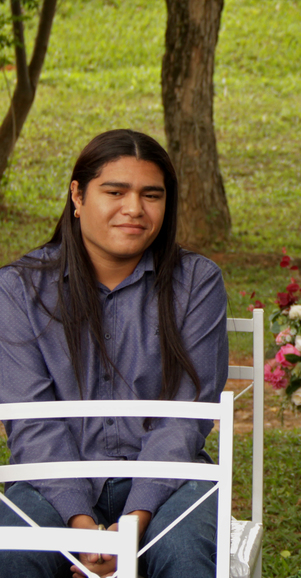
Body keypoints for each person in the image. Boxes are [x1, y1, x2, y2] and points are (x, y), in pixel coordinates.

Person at [0, 129, 229, 578]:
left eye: (151, 195)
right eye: (115, 191)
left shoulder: (196, 284)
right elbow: (31, 421)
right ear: (77, 196)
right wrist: (82, 529)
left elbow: (185, 417)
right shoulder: (19, 289)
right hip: (54, 482)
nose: (134, 209)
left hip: (171, 480)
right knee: (12, 557)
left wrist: (132, 524)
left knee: (185, 560)